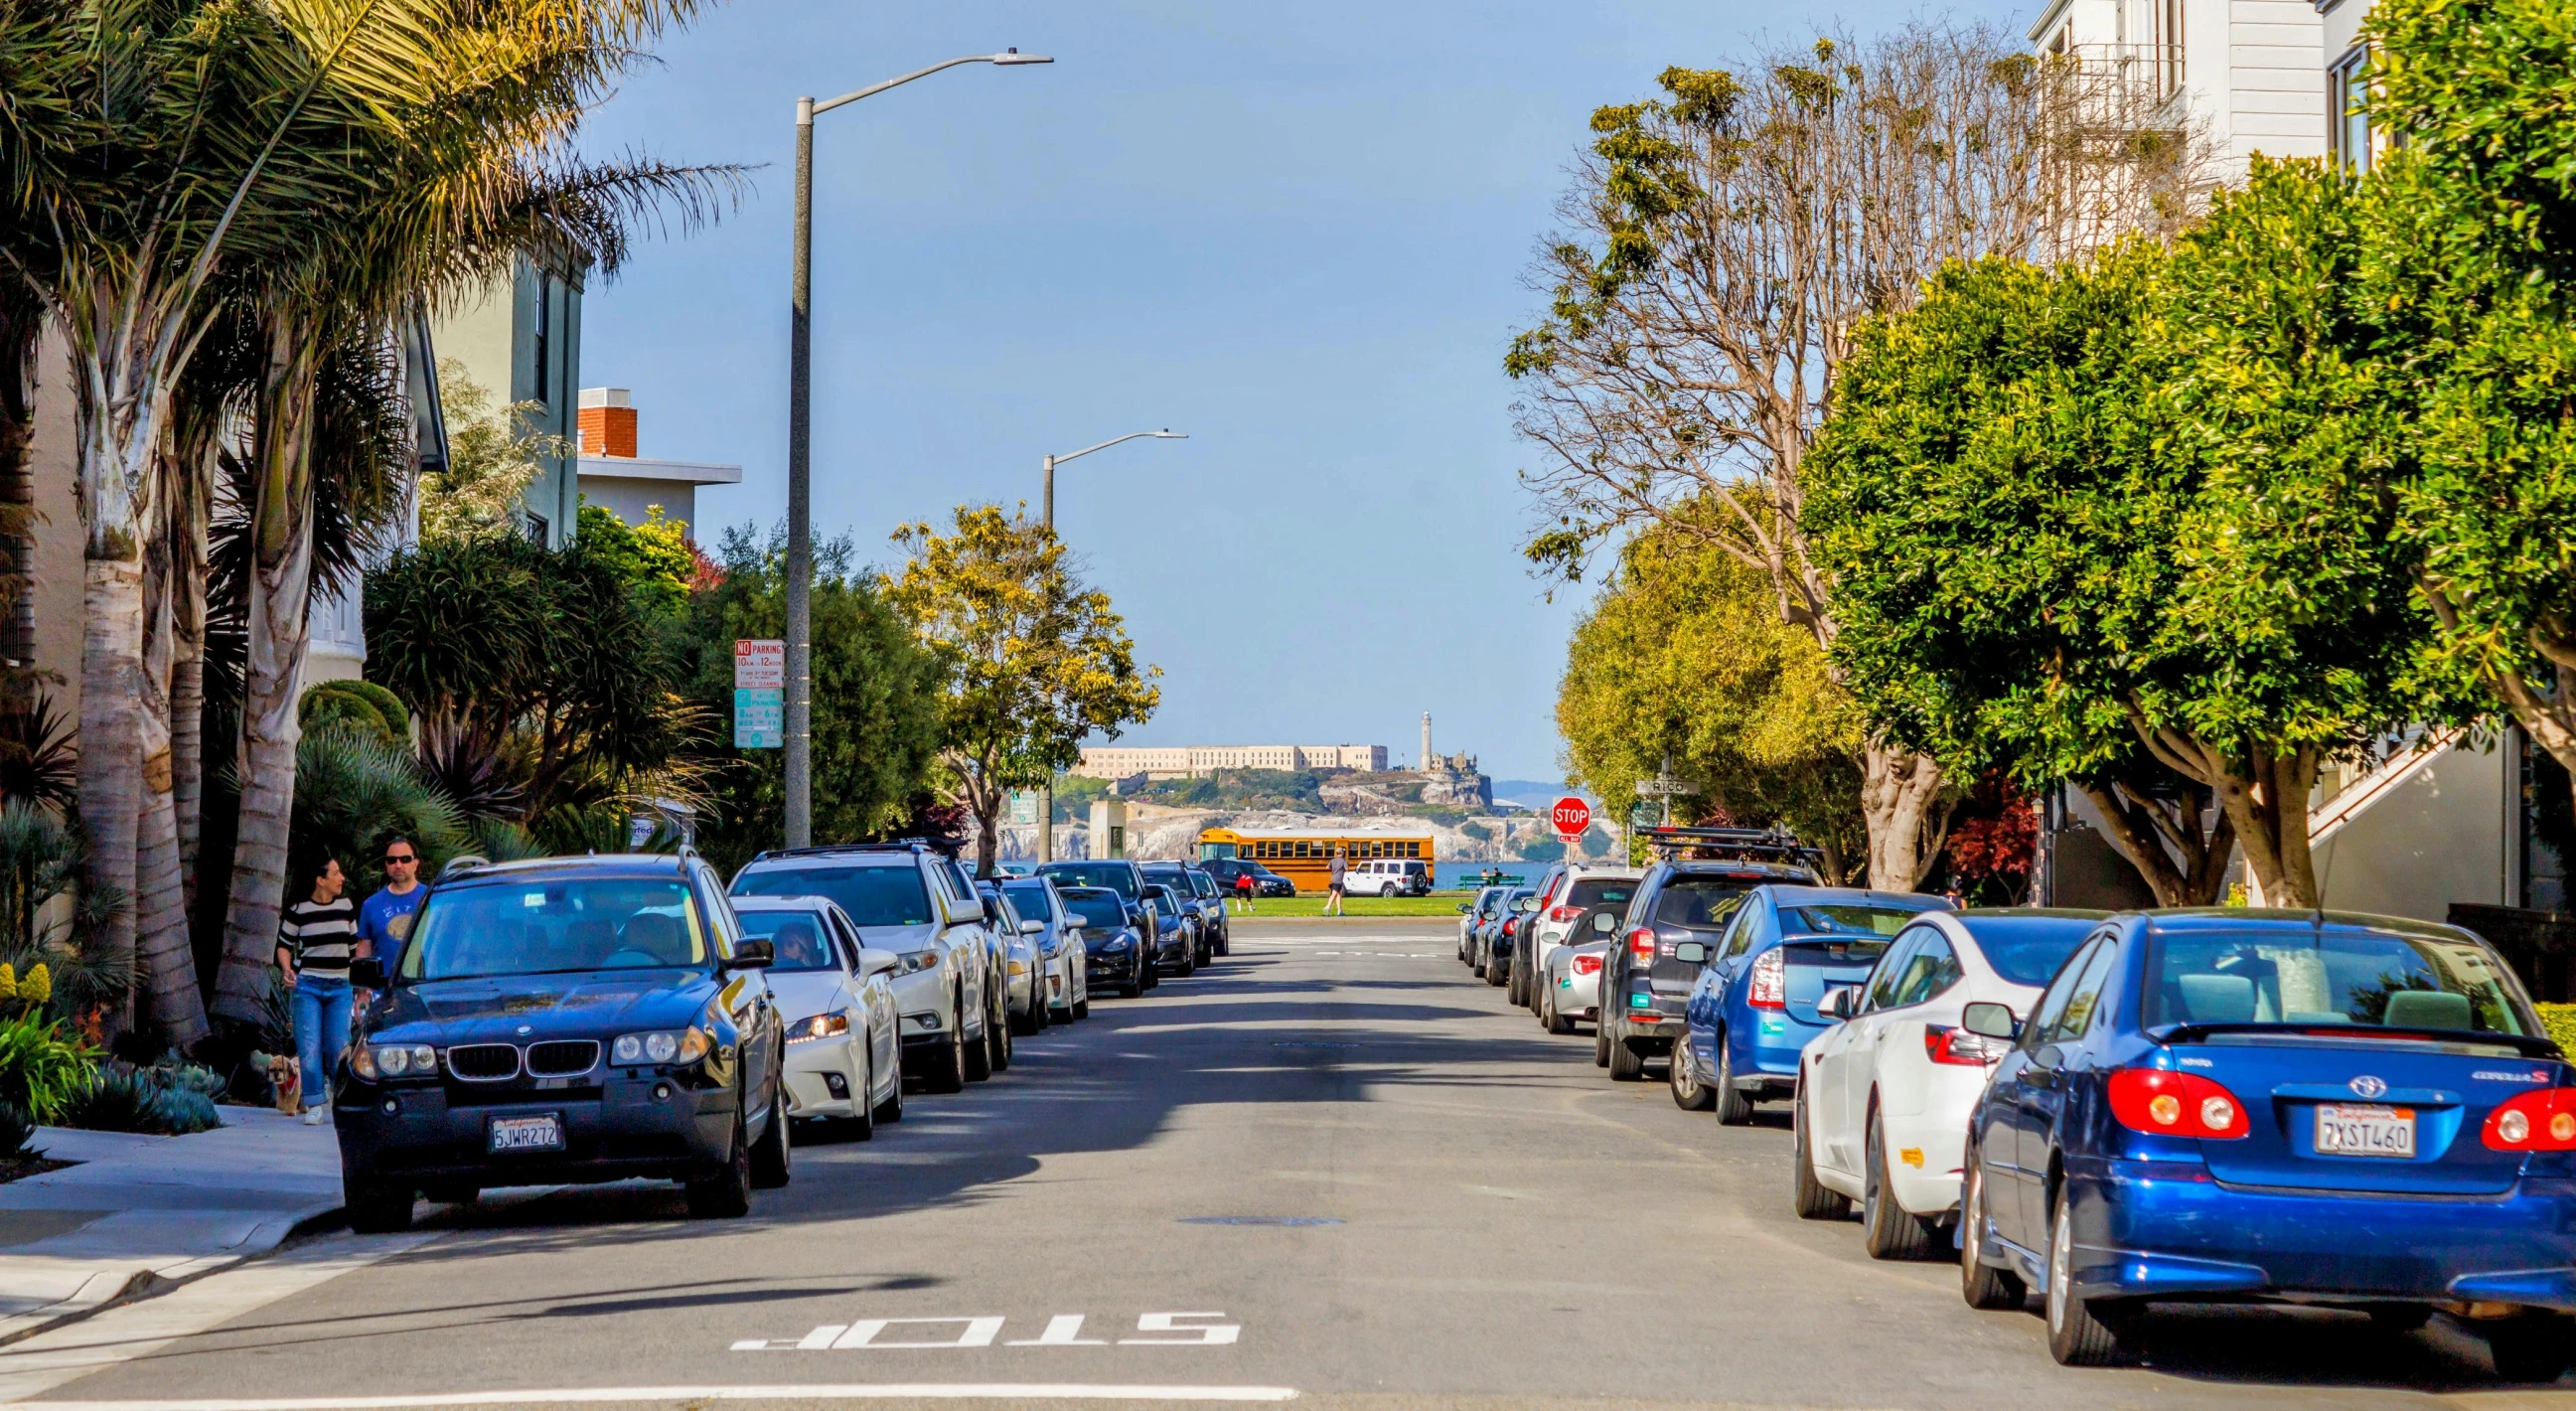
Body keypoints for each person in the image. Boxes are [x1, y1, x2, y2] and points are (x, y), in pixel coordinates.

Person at [276, 856, 365, 1125]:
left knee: (338, 1046)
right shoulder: (299, 909)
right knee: (309, 1046)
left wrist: (361, 986)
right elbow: (283, 945)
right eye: (336, 874)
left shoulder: (346, 906)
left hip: (340, 987)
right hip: (309, 986)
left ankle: (341, 1100)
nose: (342, 879)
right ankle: (313, 1101)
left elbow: (354, 949)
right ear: (320, 880)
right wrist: (287, 969)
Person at [359, 836, 426, 979]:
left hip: (424, 986)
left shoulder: (432, 899)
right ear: (386, 865)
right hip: (383, 991)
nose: (398, 865)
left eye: (405, 859)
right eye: (392, 860)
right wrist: (362, 992)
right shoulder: (371, 905)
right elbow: (364, 949)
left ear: (416, 863)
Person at [1324, 847, 1348, 917]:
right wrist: (1342, 870)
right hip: (1338, 880)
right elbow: (1347, 868)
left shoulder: (1333, 860)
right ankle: (1327, 907)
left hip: (1333, 878)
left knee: (1339, 895)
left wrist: (1334, 869)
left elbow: (1327, 867)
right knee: (1334, 894)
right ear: (1341, 852)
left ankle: (1339, 911)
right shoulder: (1343, 860)